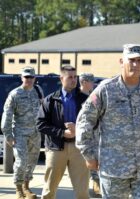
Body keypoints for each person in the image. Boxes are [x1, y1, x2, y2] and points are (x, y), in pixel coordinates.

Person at [76, 44, 140, 199]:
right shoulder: (106, 89)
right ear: (121, 61)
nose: (136, 64)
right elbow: (84, 121)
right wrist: (88, 155)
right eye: (131, 60)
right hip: (114, 169)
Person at [36, 66, 89, 199]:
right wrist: (62, 133)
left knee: (82, 191)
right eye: (70, 77)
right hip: (56, 149)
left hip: (79, 149)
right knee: (49, 190)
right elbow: (40, 124)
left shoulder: (85, 100)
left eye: (75, 77)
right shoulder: (51, 100)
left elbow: (94, 123)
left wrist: (78, 129)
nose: (73, 80)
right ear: (61, 78)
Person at [1, 67, 43, 199]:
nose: (29, 80)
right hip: (20, 133)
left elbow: (43, 109)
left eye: (31, 77)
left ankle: (26, 187)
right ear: (21, 78)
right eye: (26, 77)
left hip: (35, 133)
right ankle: (18, 189)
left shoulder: (38, 90)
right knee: (21, 161)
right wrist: (8, 135)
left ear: (34, 78)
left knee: (32, 161)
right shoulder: (15, 94)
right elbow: (7, 116)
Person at [79, 73, 102, 197]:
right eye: (91, 81)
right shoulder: (76, 96)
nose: (93, 84)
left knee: (94, 157)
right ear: (83, 82)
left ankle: (96, 183)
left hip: (95, 132)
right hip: (82, 134)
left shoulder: (93, 96)